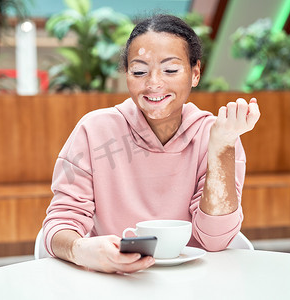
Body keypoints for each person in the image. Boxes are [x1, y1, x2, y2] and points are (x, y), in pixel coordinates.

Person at [42, 14, 260, 274]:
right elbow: (59, 224)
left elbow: (216, 239)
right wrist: (81, 249)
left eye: (170, 70)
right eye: (139, 71)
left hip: (197, 282)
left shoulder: (215, 134)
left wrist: (221, 146)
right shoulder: (94, 131)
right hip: (115, 281)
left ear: (195, 73)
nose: (154, 83)